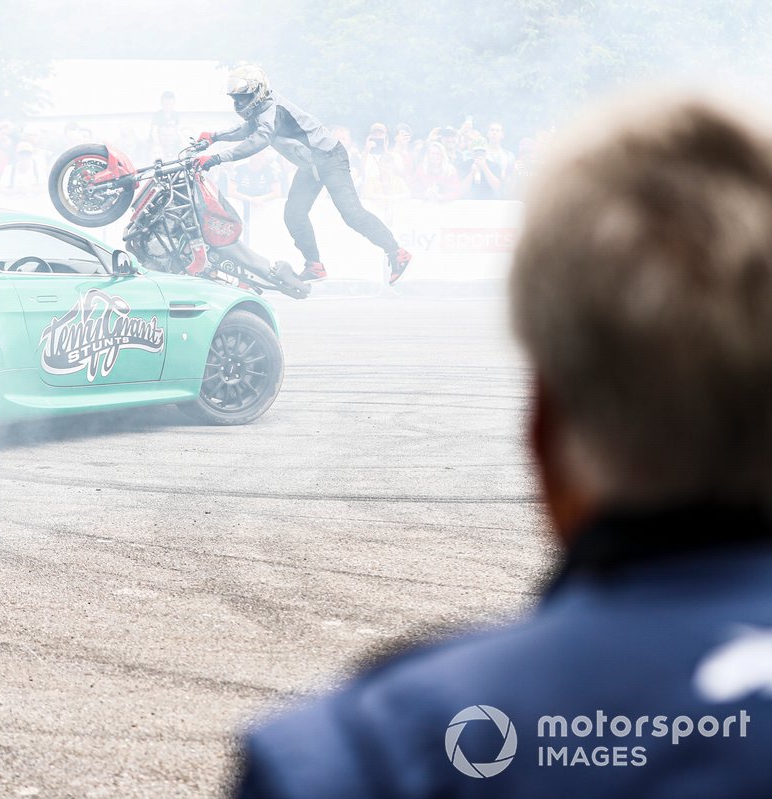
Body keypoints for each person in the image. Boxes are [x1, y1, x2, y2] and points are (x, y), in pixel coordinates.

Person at [232, 92, 772, 797]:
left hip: (331, 163)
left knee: (342, 211)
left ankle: (390, 247)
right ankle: (336, 257)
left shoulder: (366, 746)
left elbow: (249, 140)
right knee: (300, 215)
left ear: (545, 428)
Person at [195, 65, 413, 285]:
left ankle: (397, 252)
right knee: (294, 214)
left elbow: (260, 139)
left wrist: (217, 158)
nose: (240, 103)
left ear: (258, 91)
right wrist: (213, 136)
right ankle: (315, 266)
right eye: (237, 98)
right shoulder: (262, 109)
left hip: (329, 158)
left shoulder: (273, 110)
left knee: (351, 213)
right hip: (311, 165)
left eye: (244, 97)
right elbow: (246, 129)